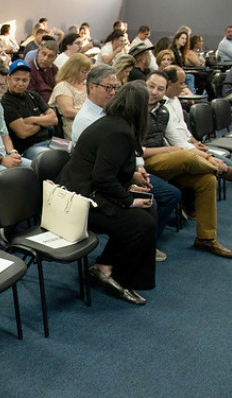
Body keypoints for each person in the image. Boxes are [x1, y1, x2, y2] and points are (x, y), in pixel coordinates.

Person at [57, 81, 156, 305]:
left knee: (149, 212)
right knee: (142, 223)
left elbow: (105, 171)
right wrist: (129, 201)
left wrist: (131, 181)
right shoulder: (119, 132)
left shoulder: (113, 124)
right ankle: (119, 277)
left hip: (86, 192)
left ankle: (106, 265)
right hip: (79, 202)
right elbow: (103, 177)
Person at [71, 66, 179, 257]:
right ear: (92, 87)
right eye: (108, 88)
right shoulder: (91, 120)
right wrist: (128, 196)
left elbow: (124, 155)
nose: (112, 93)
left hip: (109, 179)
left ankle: (139, 247)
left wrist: (136, 170)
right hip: (90, 190)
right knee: (144, 213)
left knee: (164, 198)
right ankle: (124, 255)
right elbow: (101, 172)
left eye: (115, 88)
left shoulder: (114, 120)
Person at [142, 71, 232, 259]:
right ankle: (223, 171)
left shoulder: (163, 110)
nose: (154, 92)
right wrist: (171, 151)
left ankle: (206, 238)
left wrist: (206, 157)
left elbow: (178, 140)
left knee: (207, 180)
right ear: (144, 84)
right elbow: (136, 150)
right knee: (184, 156)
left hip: (165, 160)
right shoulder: (134, 108)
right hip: (143, 163)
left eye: (160, 89)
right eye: (151, 86)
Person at [1, 59, 57, 160]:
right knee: (52, 158)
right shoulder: (6, 102)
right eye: (16, 79)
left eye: (24, 80)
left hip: (49, 141)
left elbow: (54, 119)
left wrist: (31, 120)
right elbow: (23, 132)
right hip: (29, 148)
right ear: (8, 79)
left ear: (29, 80)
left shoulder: (33, 95)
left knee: (73, 148)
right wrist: (43, 121)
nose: (20, 83)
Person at [49, 54, 90, 140]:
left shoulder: (86, 85)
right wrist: (91, 115)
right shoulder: (63, 86)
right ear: (73, 70)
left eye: (88, 72)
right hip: (74, 126)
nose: (86, 75)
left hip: (89, 122)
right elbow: (68, 112)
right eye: (83, 72)